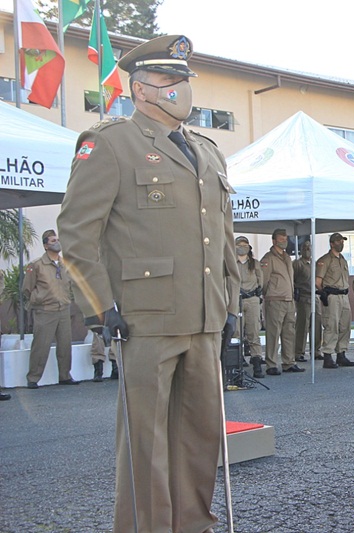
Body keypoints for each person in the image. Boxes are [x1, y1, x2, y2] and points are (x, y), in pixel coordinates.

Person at [57, 35, 240, 532]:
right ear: (141, 89)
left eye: (184, 80)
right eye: (170, 80)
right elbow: (76, 234)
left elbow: (221, 234)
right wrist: (100, 308)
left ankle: (191, 524)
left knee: (201, 438)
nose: (182, 88)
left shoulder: (207, 149)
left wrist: (231, 306)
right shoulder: (111, 143)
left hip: (204, 318)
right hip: (143, 321)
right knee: (146, 444)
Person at [23, 230, 78, 388]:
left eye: (58, 239)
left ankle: (65, 375)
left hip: (63, 309)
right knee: (41, 345)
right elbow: (27, 288)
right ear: (46, 245)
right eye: (53, 240)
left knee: (65, 345)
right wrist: (38, 299)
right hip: (45, 310)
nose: (57, 242)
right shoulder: (36, 265)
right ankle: (33, 378)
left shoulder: (64, 264)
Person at [260, 229, 303, 375]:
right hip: (275, 300)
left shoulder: (287, 258)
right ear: (274, 241)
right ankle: (271, 364)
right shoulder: (268, 258)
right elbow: (263, 281)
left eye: (285, 238)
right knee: (273, 333)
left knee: (289, 332)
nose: (284, 241)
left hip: (289, 300)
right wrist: (270, 294)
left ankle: (289, 362)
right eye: (281, 239)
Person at [316, 233, 354, 369]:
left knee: (345, 325)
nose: (341, 243)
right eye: (338, 241)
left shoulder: (343, 260)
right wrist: (323, 293)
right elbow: (318, 281)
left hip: (344, 295)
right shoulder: (325, 260)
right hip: (332, 296)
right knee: (331, 325)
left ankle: (341, 354)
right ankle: (327, 355)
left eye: (342, 241)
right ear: (332, 243)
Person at [236, 236, 265, 378]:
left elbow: (261, 281)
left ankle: (257, 362)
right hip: (236, 300)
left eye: (245, 245)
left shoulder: (255, 264)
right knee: (235, 333)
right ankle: (236, 362)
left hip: (252, 299)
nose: (242, 247)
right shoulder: (230, 263)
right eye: (239, 245)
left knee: (253, 332)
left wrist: (256, 293)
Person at [293, 240, 322, 362]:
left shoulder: (314, 264)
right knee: (302, 326)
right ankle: (299, 352)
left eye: (309, 248)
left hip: (315, 297)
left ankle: (316, 351)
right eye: (304, 248)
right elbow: (292, 279)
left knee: (316, 325)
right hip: (304, 297)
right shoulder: (297, 264)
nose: (307, 250)